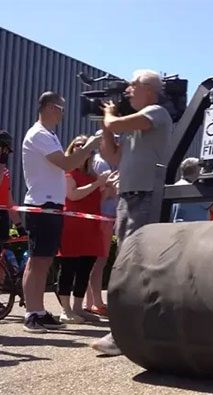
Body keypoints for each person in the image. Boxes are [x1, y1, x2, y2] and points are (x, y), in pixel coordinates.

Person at [92, 69, 173, 356]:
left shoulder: (157, 113)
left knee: (133, 266)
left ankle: (121, 334)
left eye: (132, 85)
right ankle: (138, 331)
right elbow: (112, 156)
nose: (127, 90)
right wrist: (106, 126)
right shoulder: (136, 128)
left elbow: (116, 124)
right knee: (131, 265)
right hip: (128, 199)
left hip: (146, 197)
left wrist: (110, 117)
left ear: (149, 89)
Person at [21, 91, 100, 333]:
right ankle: (31, 313)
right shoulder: (39, 134)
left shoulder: (50, 136)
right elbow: (68, 164)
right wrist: (90, 146)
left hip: (51, 205)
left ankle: (39, 311)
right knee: (36, 261)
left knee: (44, 261)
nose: (62, 112)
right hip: (41, 205)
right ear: (47, 107)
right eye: (59, 107)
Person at [56, 135, 110, 323]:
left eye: (86, 146)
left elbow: (98, 200)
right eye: (78, 145)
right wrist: (97, 184)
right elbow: (73, 195)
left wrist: (107, 186)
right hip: (72, 226)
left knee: (85, 268)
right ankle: (65, 309)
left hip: (90, 227)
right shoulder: (69, 173)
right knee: (68, 267)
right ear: (72, 149)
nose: (81, 148)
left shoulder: (92, 175)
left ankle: (78, 308)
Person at [84, 130, 118, 317]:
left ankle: (92, 302)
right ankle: (96, 302)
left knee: (97, 260)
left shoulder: (98, 162)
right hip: (103, 215)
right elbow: (102, 193)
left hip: (104, 215)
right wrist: (113, 189)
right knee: (99, 260)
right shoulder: (101, 163)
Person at [170, 157, 213, 222]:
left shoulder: (173, 187)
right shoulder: (195, 189)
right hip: (195, 229)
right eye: (201, 167)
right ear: (196, 170)